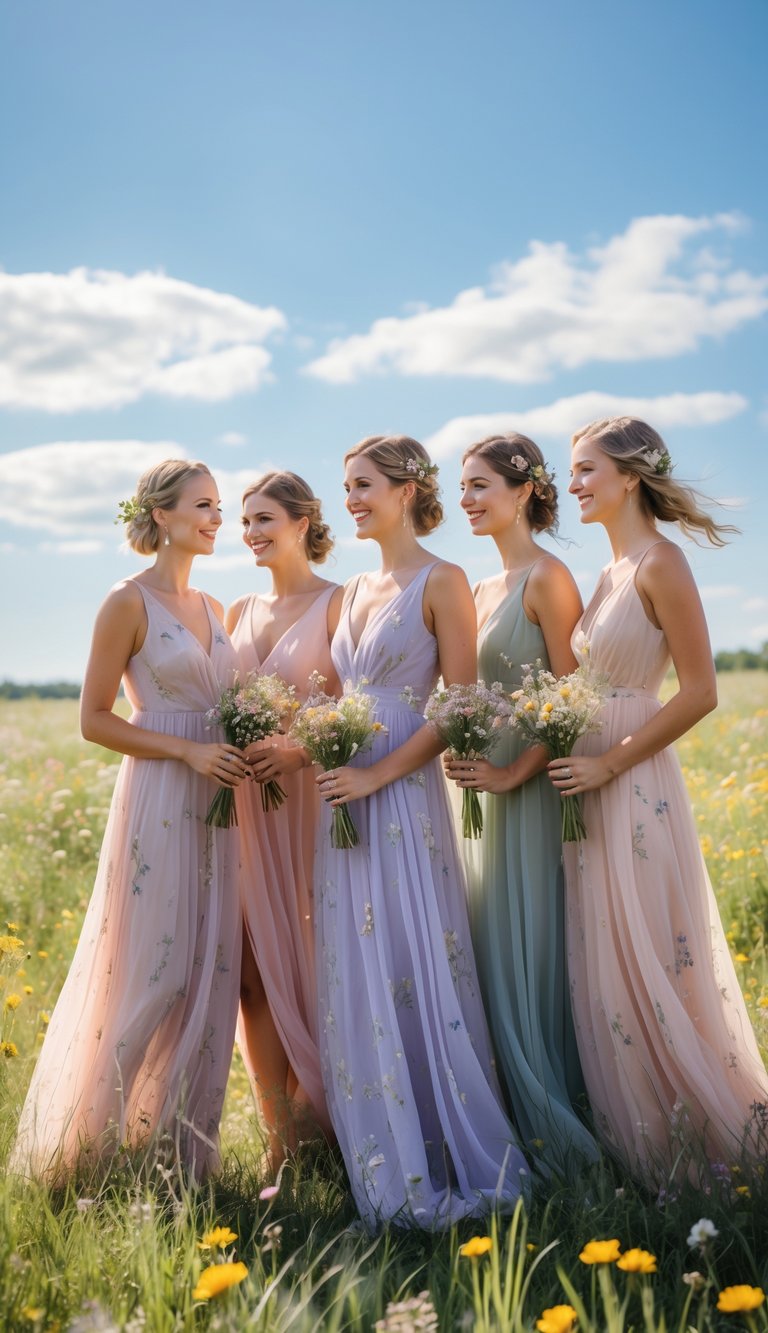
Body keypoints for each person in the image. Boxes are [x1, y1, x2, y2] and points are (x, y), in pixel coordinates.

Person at [11, 460, 250, 1181]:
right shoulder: (127, 601)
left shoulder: (213, 605)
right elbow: (92, 719)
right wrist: (185, 749)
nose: (217, 517)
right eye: (204, 505)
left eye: (220, 505)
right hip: (160, 795)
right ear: (162, 513)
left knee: (209, 970)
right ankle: (87, 1152)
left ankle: (177, 1153)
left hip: (219, 802)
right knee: (156, 970)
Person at [313, 434, 528, 1230]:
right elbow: (341, 694)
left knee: (410, 957)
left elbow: (459, 704)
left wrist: (377, 772)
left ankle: (447, 1149)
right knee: (360, 968)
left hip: (401, 796)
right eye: (346, 487)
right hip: (344, 797)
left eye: (363, 484)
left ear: (407, 489)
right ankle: (382, 1153)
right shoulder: (354, 588)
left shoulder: (444, 580)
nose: (352, 500)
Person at [549, 416, 768, 1183]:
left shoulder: (660, 563)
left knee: (650, 945)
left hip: (633, 778)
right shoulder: (609, 572)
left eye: (584, 470)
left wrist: (609, 763)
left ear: (629, 477)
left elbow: (701, 691)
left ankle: (694, 1137)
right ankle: (634, 1131)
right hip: (589, 775)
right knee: (605, 950)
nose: (572, 483)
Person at [444, 434, 599, 1172]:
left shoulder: (548, 577)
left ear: (525, 490)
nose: (468, 499)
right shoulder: (479, 589)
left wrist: (511, 775)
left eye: (480, 485)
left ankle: (558, 1116)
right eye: (462, 486)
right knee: (488, 943)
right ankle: (506, 1114)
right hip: (482, 789)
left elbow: (572, 701)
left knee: (530, 940)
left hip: (531, 790)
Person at [225, 471, 341, 1163]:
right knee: (252, 971)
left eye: (264, 518)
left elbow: (363, 709)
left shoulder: (339, 602)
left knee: (314, 958)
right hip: (246, 807)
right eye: (245, 521)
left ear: (303, 522)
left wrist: (298, 748)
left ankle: (319, 1114)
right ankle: (279, 1137)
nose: (251, 533)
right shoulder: (236, 608)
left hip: (310, 803)